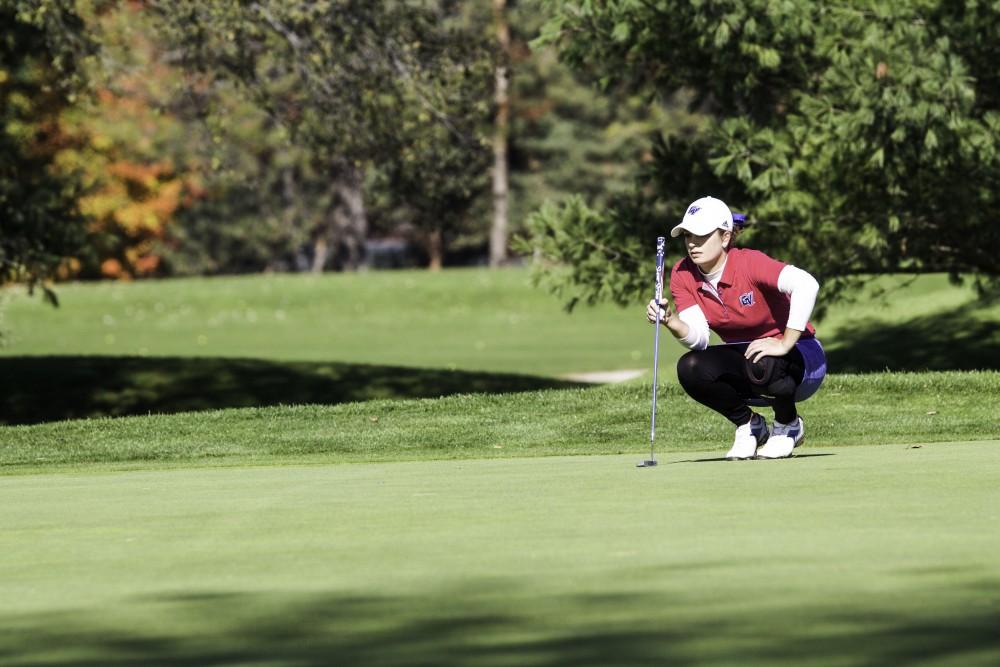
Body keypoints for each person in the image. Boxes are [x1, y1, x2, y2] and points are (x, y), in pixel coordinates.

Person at [645, 196, 827, 460]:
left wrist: (785, 342)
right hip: (751, 362)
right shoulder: (683, 273)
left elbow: (807, 284)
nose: (692, 243)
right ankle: (749, 424)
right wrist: (671, 320)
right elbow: (699, 339)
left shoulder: (749, 262)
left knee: (763, 358)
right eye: (687, 235)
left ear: (725, 237)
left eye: (702, 235)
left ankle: (788, 426)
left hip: (803, 359)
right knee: (691, 367)